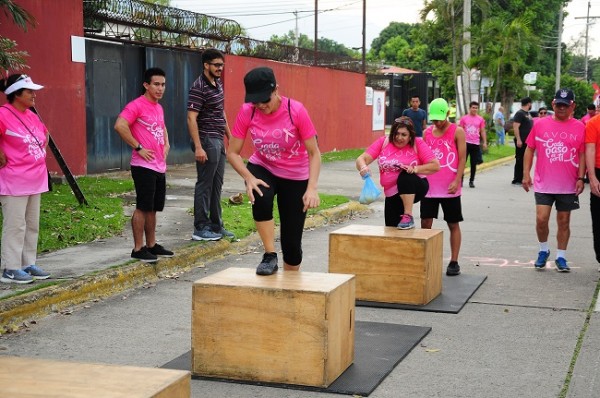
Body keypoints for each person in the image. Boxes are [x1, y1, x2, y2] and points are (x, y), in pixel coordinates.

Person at [227, 67, 321, 276]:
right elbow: (232, 153)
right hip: (263, 166)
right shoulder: (247, 111)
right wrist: (249, 178)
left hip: (296, 175)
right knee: (261, 195)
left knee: (292, 245)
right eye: (256, 101)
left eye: (265, 100)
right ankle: (269, 255)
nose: (261, 106)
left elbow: (314, 153)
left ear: (276, 89)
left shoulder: (295, 110)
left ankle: (291, 283)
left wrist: (312, 188)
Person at [114, 67, 174, 263]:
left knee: (153, 208)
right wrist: (138, 147)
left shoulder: (158, 107)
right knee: (142, 206)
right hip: (143, 165)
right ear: (146, 85)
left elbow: (162, 127)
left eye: (163, 84)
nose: (160, 88)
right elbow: (120, 125)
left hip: (159, 165)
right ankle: (138, 248)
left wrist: (166, 143)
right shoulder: (136, 105)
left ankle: (151, 245)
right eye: (156, 84)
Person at [523, 89, 586, 272]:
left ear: (572, 106)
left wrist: (581, 178)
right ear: (553, 104)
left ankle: (561, 257)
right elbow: (529, 149)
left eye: (565, 105)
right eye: (558, 104)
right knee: (541, 219)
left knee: (564, 220)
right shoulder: (540, 124)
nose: (561, 108)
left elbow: (582, 154)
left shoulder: (580, 127)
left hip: (568, 184)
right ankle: (543, 250)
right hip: (544, 183)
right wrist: (526, 173)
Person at [0, 74, 51, 284]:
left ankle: (27, 263)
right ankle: (10, 268)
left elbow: (44, 136)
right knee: (15, 225)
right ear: (16, 94)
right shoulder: (3, 114)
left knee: (31, 224)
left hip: (36, 179)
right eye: (29, 91)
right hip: (14, 179)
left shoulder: (32, 115)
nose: (34, 95)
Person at [356, 116, 439, 230]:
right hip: (391, 194)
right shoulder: (384, 142)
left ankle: (408, 216)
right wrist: (363, 167)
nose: (399, 138)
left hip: (415, 186)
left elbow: (435, 166)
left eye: (404, 135)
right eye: (396, 134)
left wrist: (415, 169)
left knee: (405, 176)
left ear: (410, 136)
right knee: (392, 230)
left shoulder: (417, 143)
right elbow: (361, 158)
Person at [187, 48, 233, 242]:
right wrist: (198, 146)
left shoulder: (217, 84)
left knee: (217, 185)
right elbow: (191, 117)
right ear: (206, 65)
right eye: (216, 65)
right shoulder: (199, 87)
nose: (220, 68)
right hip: (206, 140)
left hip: (218, 139)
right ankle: (200, 227)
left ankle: (216, 225)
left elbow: (221, 112)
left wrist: (230, 136)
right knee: (205, 184)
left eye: (221, 65)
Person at [421, 98, 467, 276]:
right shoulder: (427, 133)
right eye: (434, 120)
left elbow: (462, 158)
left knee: (453, 223)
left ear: (448, 114)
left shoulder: (458, 132)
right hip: (430, 187)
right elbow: (423, 157)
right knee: (426, 222)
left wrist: (457, 180)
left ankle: (454, 261)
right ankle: (426, 258)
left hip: (450, 188)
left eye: (440, 119)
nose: (437, 123)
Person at [585, 107, 600, 272]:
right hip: (598, 171)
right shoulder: (593, 123)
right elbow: (590, 149)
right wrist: (592, 177)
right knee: (598, 218)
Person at [458, 101, 487, 188]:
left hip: (475, 143)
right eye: (473, 107)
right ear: (470, 108)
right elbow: (460, 130)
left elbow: (482, 130)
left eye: (476, 108)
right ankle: (461, 180)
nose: (474, 109)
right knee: (462, 162)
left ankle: (471, 181)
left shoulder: (480, 119)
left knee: (473, 163)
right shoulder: (464, 119)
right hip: (465, 143)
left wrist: (485, 142)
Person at [512, 97, 533, 185]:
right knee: (520, 160)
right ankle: (517, 179)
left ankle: (525, 177)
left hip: (527, 141)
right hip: (521, 140)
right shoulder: (520, 113)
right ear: (529, 104)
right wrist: (519, 139)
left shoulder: (527, 113)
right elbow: (515, 126)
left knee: (526, 160)